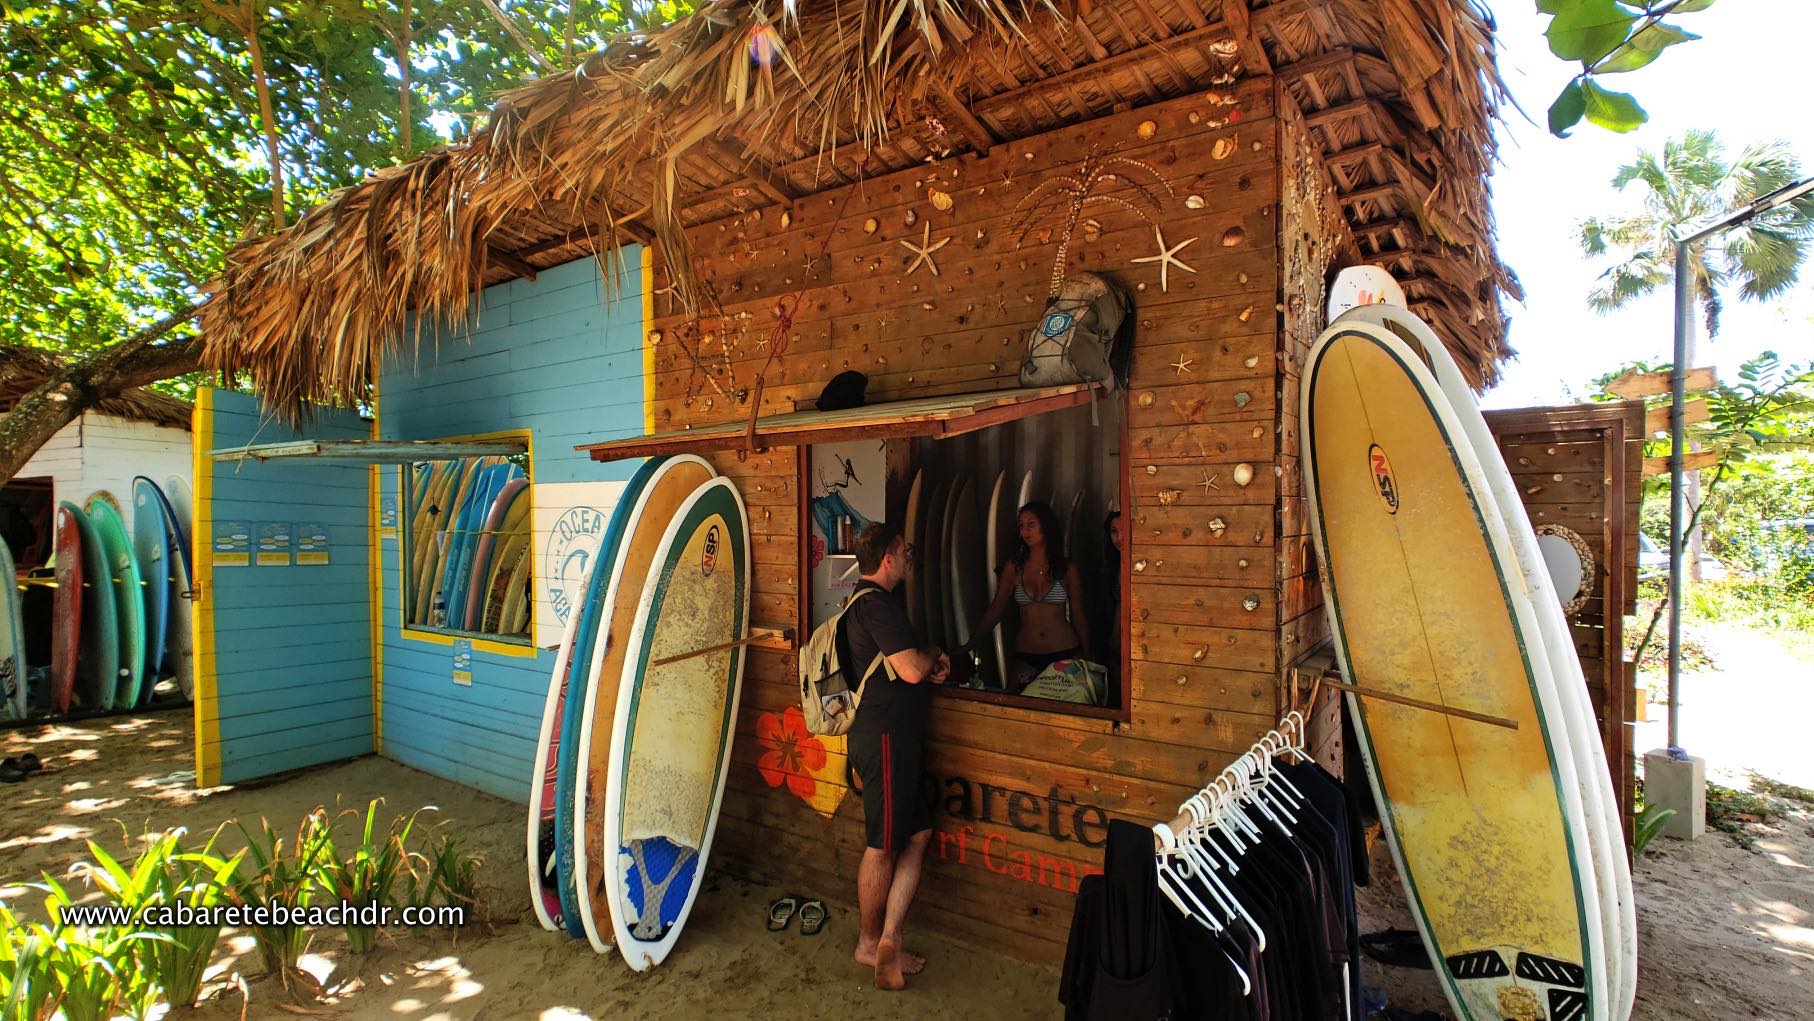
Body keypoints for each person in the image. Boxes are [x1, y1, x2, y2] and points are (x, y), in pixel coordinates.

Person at [843, 521, 950, 990]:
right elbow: (908, 669)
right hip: (883, 738)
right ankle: (869, 943)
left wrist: (927, 666)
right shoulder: (875, 605)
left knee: (918, 833)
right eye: (904, 552)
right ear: (888, 558)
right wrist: (931, 655)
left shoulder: (868, 604)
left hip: (894, 739)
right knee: (883, 845)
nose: (908, 558)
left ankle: (890, 936)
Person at [962, 501, 1091, 693]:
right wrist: (972, 642)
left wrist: (1089, 657)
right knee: (1016, 710)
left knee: (1067, 717)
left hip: (1065, 652)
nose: (1025, 531)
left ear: (1045, 526)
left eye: (1031, 524)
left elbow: (1079, 616)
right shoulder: (1014, 568)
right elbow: (997, 608)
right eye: (1021, 525)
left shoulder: (1066, 569)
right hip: (1027, 655)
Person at [1085, 511, 1123, 690]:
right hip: (1114, 652)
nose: (1119, 537)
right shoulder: (1109, 572)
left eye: (1124, 530)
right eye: (1114, 531)